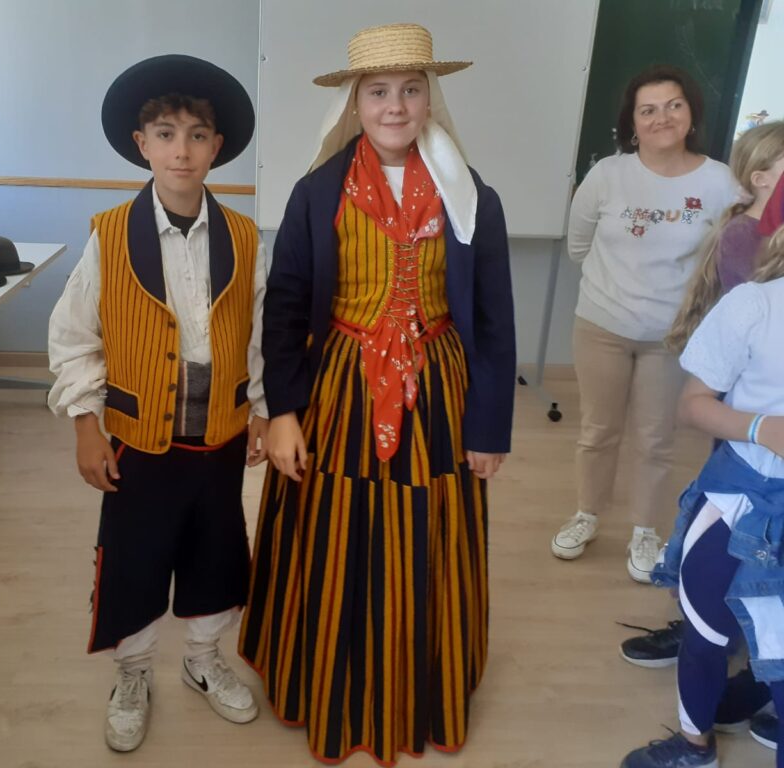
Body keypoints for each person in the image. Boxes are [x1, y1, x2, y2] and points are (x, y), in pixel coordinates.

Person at [238, 23, 515, 765]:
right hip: (339, 389)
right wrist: (283, 413)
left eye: (411, 90)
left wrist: (489, 429)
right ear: (355, 103)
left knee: (429, 530)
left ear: (430, 98)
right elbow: (284, 308)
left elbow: (494, 317)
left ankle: (420, 687)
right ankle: (329, 681)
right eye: (379, 91)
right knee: (334, 529)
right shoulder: (315, 193)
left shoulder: (472, 197)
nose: (396, 106)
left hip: (439, 391)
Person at [47, 55, 268, 753]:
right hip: (139, 436)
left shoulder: (245, 236)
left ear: (217, 146)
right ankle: (133, 671)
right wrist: (86, 425)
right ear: (142, 144)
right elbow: (74, 336)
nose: (182, 150)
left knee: (216, 549)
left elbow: (259, 334)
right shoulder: (110, 234)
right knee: (135, 556)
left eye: (197, 135)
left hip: (220, 432)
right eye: (166, 135)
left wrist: (262, 410)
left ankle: (203, 658)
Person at [554, 65, 738, 583]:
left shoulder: (719, 181)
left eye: (673, 105)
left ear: (691, 113)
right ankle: (587, 514)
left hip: (671, 336)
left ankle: (645, 530)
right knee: (598, 430)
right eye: (648, 109)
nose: (662, 117)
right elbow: (578, 246)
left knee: (656, 439)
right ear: (632, 123)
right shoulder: (607, 175)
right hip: (601, 326)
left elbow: (730, 255)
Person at [621, 222, 784, 768]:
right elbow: (694, 403)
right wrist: (762, 428)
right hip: (741, 495)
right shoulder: (755, 305)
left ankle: (759, 698)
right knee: (705, 619)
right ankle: (695, 745)